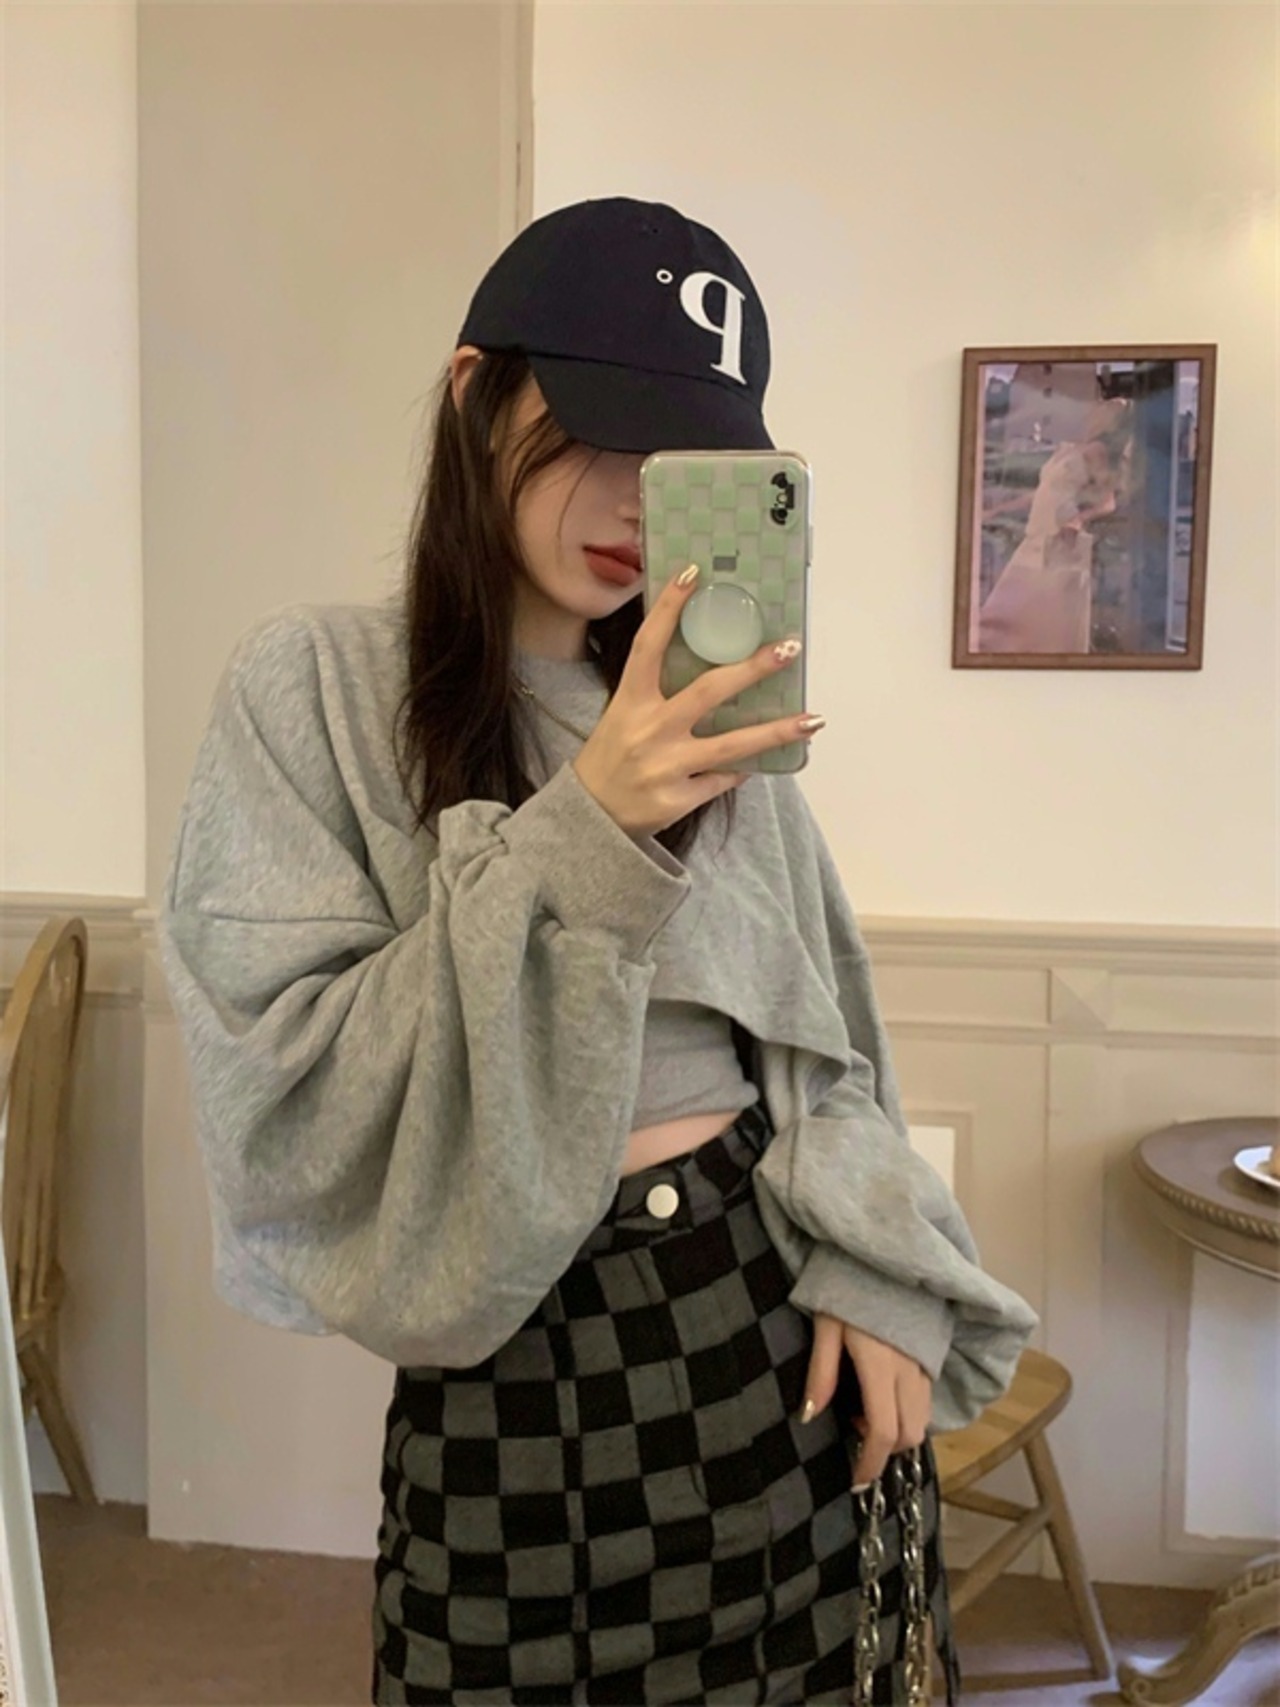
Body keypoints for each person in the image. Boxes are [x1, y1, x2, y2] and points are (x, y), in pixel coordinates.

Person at [159, 197, 1037, 1706]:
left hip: (768, 1328)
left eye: (682, 459)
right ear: (473, 395)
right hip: (508, 1360)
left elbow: (823, 1051)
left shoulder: (709, 721)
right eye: (594, 432)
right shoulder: (318, 687)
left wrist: (880, 1270)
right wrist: (590, 825)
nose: (632, 499)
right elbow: (282, 1089)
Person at [976, 400, 1132, 655]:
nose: (1100, 408)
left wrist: (1078, 520)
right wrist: (998, 510)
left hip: (1061, 538)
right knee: (1006, 609)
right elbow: (1043, 492)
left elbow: (1108, 503)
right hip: (1038, 533)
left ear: (1114, 422)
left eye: (1110, 408)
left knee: (1048, 616)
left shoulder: (1098, 451)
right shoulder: (1070, 449)